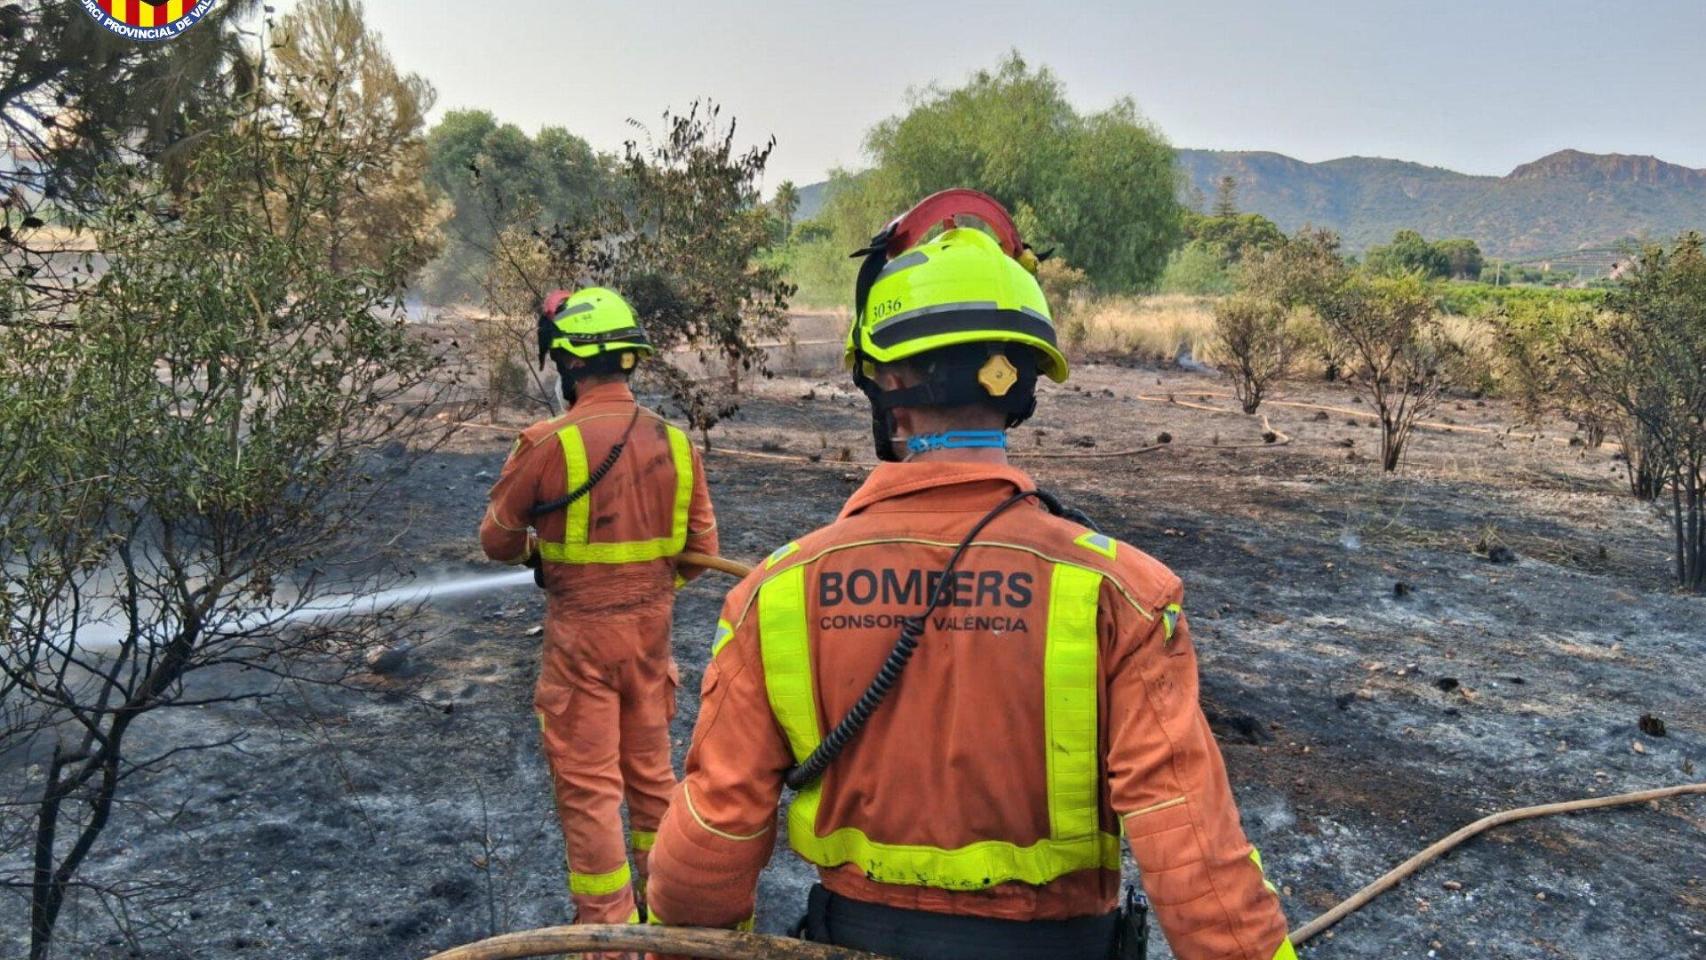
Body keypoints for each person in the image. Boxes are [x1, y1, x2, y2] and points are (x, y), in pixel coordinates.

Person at [643, 192, 1295, 960]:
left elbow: (713, 835)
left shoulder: (777, 591)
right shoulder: (1123, 595)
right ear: (1020, 385)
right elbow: (1198, 861)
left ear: (883, 383)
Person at [479, 286, 718, 928]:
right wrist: (645, 594)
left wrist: (543, 553)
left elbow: (497, 542)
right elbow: (701, 554)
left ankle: (608, 932)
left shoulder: (546, 443)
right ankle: (667, 912)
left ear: (569, 362)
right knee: (651, 777)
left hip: (580, 648)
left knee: (589, 789)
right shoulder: (677, 444)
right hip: (650, 644)